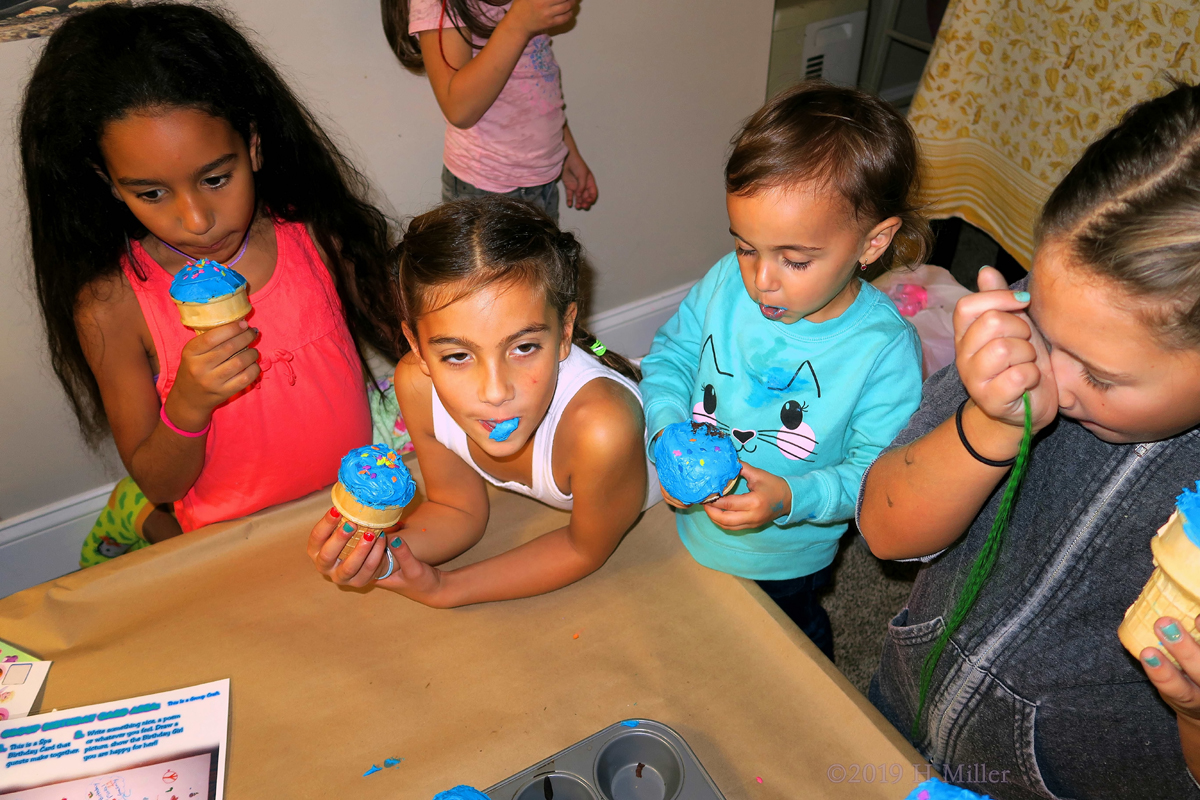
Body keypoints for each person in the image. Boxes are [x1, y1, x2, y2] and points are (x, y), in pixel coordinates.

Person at [858, 82, 1200, 798]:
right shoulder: (1034, 327)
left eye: (1100, 375)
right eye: (1045, 328)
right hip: (899, 709)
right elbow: (886, 530)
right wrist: (985, 424)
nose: (1049, 375)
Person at [20, 3, 401, 565]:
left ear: (253, 144)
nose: (197, 221)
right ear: (109, 184)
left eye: (216, 179)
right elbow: (161, 481)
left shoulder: (315, 236)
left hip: (350, 517)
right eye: (151, 193)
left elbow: (411, 333)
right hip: (230, 546)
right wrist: (189, 404)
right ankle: (140, 524)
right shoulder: (112, 307)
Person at [638, 81, 931, 660]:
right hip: (691, 525)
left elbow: (877, 478)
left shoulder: (883, 351)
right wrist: (666, 428)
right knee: (696, 626)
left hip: (787, 553)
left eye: (795, 259)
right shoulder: (725, 281)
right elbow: (670, 355)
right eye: (747, 247)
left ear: (873, 243)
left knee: (786, 650)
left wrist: (790, 498)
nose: (760, 279)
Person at [307, 197, 657, 606]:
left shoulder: (602, 428)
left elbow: (584, 548)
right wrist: (376, 553)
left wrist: (447, 587)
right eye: (457, 356)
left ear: (564, 333)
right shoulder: (417, 385)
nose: (495, 392)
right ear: (417, 348)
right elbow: (457, 508)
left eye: (524, 347)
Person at [381, 0, 597, 220]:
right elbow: (458, 110)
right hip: (486, 189)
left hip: (542, 178)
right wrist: (518, 24)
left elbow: (533, 81)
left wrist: (565, 149)